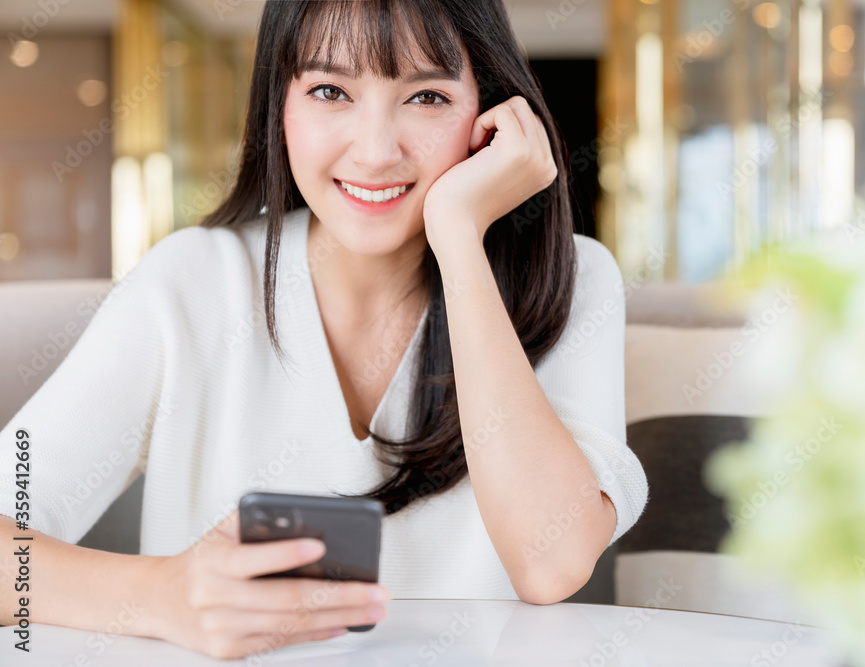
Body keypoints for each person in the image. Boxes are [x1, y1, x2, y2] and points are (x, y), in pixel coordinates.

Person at [0, 0, 648, 659]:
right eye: (330, 90)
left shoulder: (572, 278)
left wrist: (459, 238)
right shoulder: (192, 282)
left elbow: (551, 563)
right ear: (277, 105)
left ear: (490, 112)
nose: (374, 151)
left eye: (426, 96)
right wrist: (161, 592)